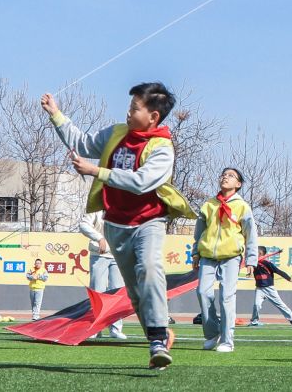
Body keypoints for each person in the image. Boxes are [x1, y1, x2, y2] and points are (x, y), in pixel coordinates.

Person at [42, 84, 195, 370]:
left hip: (150, 221)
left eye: (135, 108)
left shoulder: (162, 147)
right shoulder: (116, 133)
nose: (128, 111)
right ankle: (158, 338)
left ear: (153, 117)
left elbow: (141, 182)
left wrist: (96, 171)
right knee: (135, 293)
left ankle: (158, 339)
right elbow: (84, 143)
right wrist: (56, 115)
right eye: (130, 106)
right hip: (115, 224)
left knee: (150, 269)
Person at [193, 167, 258, 353]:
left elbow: (250, 234)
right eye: (223, 175)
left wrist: (251, 259)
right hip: (207, 256)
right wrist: (195, 253)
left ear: (238, 184)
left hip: (231, 257)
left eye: (231, 176)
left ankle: (227, 341)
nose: (225, 177)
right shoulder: (209, 205)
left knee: (226, 297)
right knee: (202, 293)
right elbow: (198, 233)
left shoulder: (242, 206)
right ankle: (212, 333)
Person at [79, 210, 126, 339]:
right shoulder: (96, 209)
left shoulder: (121, 206)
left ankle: (115, 328)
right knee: (98, 292)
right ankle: (95, 328)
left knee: (117, 292)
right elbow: (83, 225)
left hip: (118, 255)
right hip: (99, 255)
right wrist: (99, 238)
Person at [249, 246, 292, 327]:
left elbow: (278, 271)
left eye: (256, 252)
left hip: (269, 288)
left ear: (260, 253)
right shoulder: (253, 263)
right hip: (259, 289)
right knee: (256, 305)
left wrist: (288, 277)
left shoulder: (267, 263)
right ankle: (254, 321)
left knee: (280, 304)